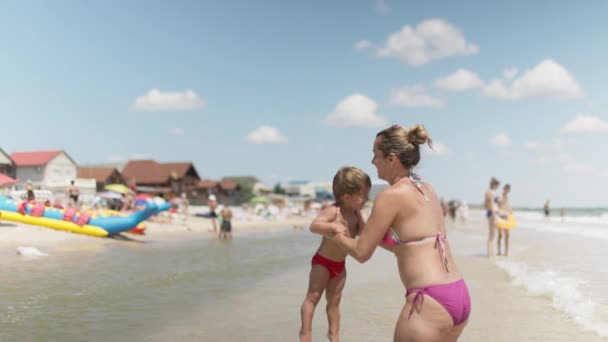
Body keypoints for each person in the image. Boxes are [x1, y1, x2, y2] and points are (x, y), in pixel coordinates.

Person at [332, 124, 470, 341]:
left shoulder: (390, 195)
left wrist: (334, 233)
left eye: (375, 155)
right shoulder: (427, 189)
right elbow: (411, 245)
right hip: (458, 294)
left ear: (391, 159)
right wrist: (368, 232)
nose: (372, 161)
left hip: (429, 299)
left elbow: (361, 253)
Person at [299, 166, 370, 342]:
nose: (367, 199)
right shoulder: (334, 210)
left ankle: (334, 335)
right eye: (364, 195)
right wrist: (332, 226)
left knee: (334, 303)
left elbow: (364, 232)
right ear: (346, 197)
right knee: (313, 297)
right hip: (322, 262)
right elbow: (314, 226)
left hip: (340, 265)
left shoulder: (356, 213)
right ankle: (305, 333)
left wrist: (367, 225)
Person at [484, 177, 500, 257]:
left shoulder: (488, 192)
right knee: (492, 235)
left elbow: (485, 205)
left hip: (490, 213)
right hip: (493, 213)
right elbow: (491, 204)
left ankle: (490, 252)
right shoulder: (491, 192)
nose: (498, 188)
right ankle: (490, 253)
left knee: (491, 234)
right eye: (497, 186)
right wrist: (494, 216)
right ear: (494, 185)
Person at [496, 184, 512, 256]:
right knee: (500, 235)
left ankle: (506, 252)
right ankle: (499, 251)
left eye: (508, 190)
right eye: (506, 189)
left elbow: (506, 205)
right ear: (504, 189)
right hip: (500, 216)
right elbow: (496, 205)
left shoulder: (507, 197)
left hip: (506, 216)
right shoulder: (500, 196)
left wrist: (510, 211)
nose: (507, 191)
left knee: (507, 235)